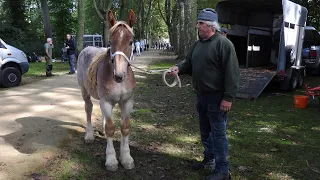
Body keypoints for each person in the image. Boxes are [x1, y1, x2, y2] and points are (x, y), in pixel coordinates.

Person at [169, 8, 239, 180]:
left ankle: (223, 169)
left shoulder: (224, 44)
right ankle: (209, 160)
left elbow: (232, 73)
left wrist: (227, 98)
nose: (197, 26)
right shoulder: (198, 44)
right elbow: (189, 63)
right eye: (198, 23)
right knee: (205, 131)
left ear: (211, 26)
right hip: (201, 96)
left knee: (218, 133)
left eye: (201, 23)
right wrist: (179, 68)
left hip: (217, 98)